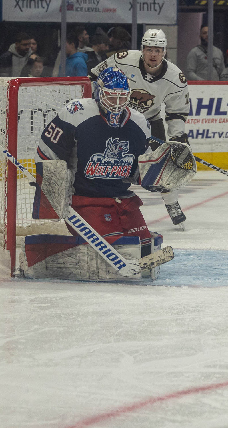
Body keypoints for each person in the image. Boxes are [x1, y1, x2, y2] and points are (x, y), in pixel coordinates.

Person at [25, 65, 190, 280]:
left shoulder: (139, 123)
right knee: (114, 245)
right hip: (85, 199)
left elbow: (140, 170)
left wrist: (158, 177)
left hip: (123, 199)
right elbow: (46, 151)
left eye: (123, 98)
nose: (118, 104)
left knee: (143, 244)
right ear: (98, 92)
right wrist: (52, 184)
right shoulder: (76, 113)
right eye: (111, 97)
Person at [88, 29, 193, 229]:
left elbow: (176, 112)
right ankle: (105, 202)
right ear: (142, 49)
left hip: (149, 121)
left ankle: (172, 203)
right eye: (149, 49)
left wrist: (178, 137)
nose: (153, 54)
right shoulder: (122, 59)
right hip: (116, 118)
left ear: (164, 52)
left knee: (165, 164)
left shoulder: (175, 77)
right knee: (110, 160)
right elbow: (93, 77)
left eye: (158, 50)